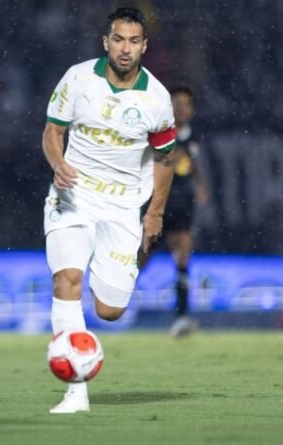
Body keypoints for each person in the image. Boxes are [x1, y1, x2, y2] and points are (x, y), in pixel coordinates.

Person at [41, 8, 176, 414]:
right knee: (67, 279)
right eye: (119, 39)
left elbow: (166, 159)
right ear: (106, 41)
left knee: (110, 310)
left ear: (144, 47)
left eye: (134, 42)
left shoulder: (157, 98)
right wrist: (58, 163)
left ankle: (115, 268)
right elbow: (53, 131)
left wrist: (154, 214)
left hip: (122, 206)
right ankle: (75, 391)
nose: (125, 48)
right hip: (74, 197)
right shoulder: (78, 78)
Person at [140, 87, 209, 338]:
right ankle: (113, 300)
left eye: (185, 104)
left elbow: (191, 164)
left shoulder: (193, 136)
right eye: (176, 103)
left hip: (182, 203)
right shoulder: (158, 132)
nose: (181, 108)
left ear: (191, 109)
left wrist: (200, 185)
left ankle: (181, 317)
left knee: (183, 256)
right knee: (142, 257)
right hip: (157, 201)